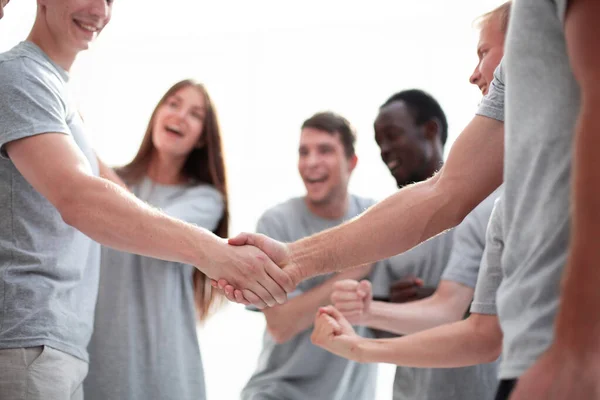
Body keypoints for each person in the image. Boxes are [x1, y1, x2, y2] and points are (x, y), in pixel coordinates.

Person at [226, 0, 600, 398]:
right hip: (527, 369)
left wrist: (577, 347)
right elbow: (482, 330)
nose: (473, 75)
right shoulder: (507, 207)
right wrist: (297, 263)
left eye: (482, 53)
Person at [0, 1, 291, 399]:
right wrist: (219, 255)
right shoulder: (22, 76)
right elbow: (81, 197)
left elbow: (103, 197)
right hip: (32, 341)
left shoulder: (55, 92)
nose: (100, 9)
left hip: (57, 347)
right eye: (174, 105)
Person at [84, 80, 227, 400]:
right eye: (173, 103)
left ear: (203, 137)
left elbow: (149, 226)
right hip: (97, 361)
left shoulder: (205, 199)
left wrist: (86, 154)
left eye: (195, 114)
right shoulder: (108, 181)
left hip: (165, 369)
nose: (180, 116)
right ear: (157, 113)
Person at [240, 112, 379, 400]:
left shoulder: (374, 219)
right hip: (277, 393)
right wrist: (353, 270)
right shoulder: (275, 224)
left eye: (325, 150)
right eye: (304, 152)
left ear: (351, 163)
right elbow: (280, 324)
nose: (311, 162)